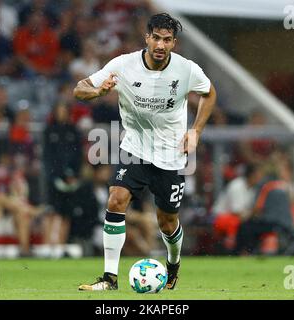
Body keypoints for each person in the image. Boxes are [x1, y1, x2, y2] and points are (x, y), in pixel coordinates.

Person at [74, 13, 216, 291]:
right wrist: (97, 93)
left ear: (174, 42)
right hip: (134, 149)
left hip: (171, 155)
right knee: (116, 200)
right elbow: (80, 89)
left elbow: (209, 93)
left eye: (167, 40)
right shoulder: (123, 64)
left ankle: (173, 264)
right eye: (156, 38)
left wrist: (196, 131)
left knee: (167, 221)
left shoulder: (187, 69)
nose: (161, 45)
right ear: (147, 37)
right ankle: (109, 279)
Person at [212, 164, 264, 253]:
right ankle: (238, 251)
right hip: (221, 218)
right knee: (245, 226)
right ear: (251, 175)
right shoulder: (237, 186)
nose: (260, 178)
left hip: (237, 219)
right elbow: (236, 212)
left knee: (256, 225)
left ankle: (247, 251)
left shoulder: (252, 189)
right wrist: (253, 213)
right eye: (258, 175)